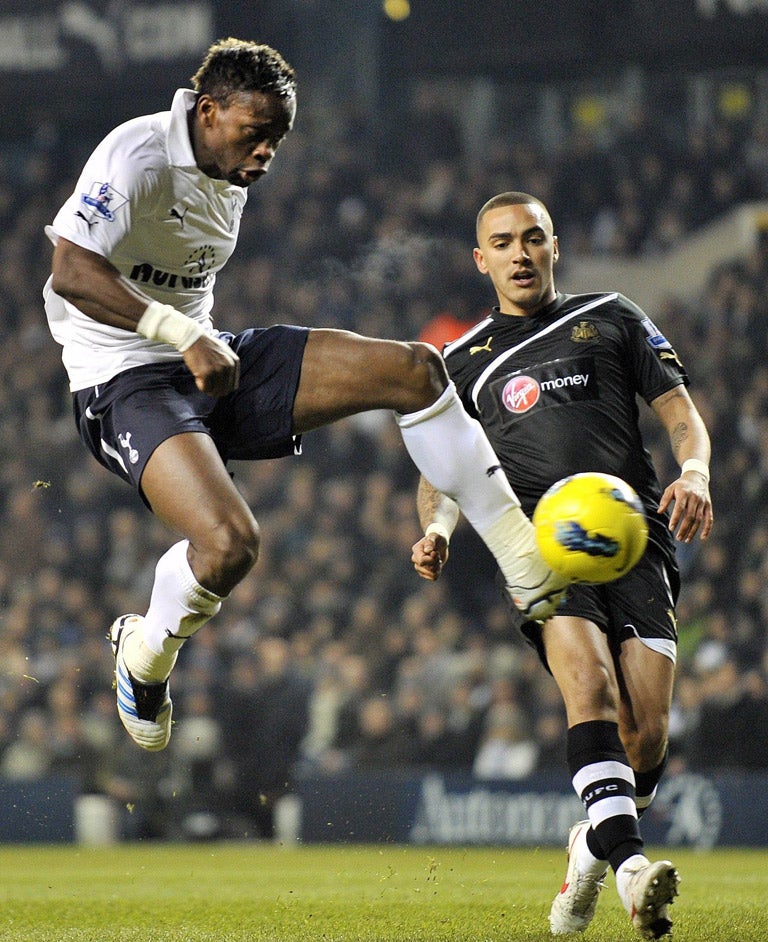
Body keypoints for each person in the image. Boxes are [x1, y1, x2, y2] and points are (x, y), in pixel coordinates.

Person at [43, 42, 566, 755]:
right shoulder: (136, 155)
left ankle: (520, 557)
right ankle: (145, 657)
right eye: (254, 133)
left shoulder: (225, 168)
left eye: (278, 140)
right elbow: (72, 271)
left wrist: (196, 341)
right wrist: (176, 332)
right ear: (207, 111)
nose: (265, 154)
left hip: (207, 358)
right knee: (230, 545)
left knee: (418, 369)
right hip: (121, 380)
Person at [411, 191, 713, 940]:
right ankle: (634, 868)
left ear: (555, 246)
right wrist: (439, 528)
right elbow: (438, 476)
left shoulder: (611, 313)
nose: (520, 253)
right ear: (481, 260)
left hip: (637, 539)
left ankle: (589, 849)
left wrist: (697, 472)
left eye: (533, 238)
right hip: (542, 553)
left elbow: (679, 412)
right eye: (504, 242)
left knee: (646, 737)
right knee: (590, 687)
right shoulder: (463, 362)